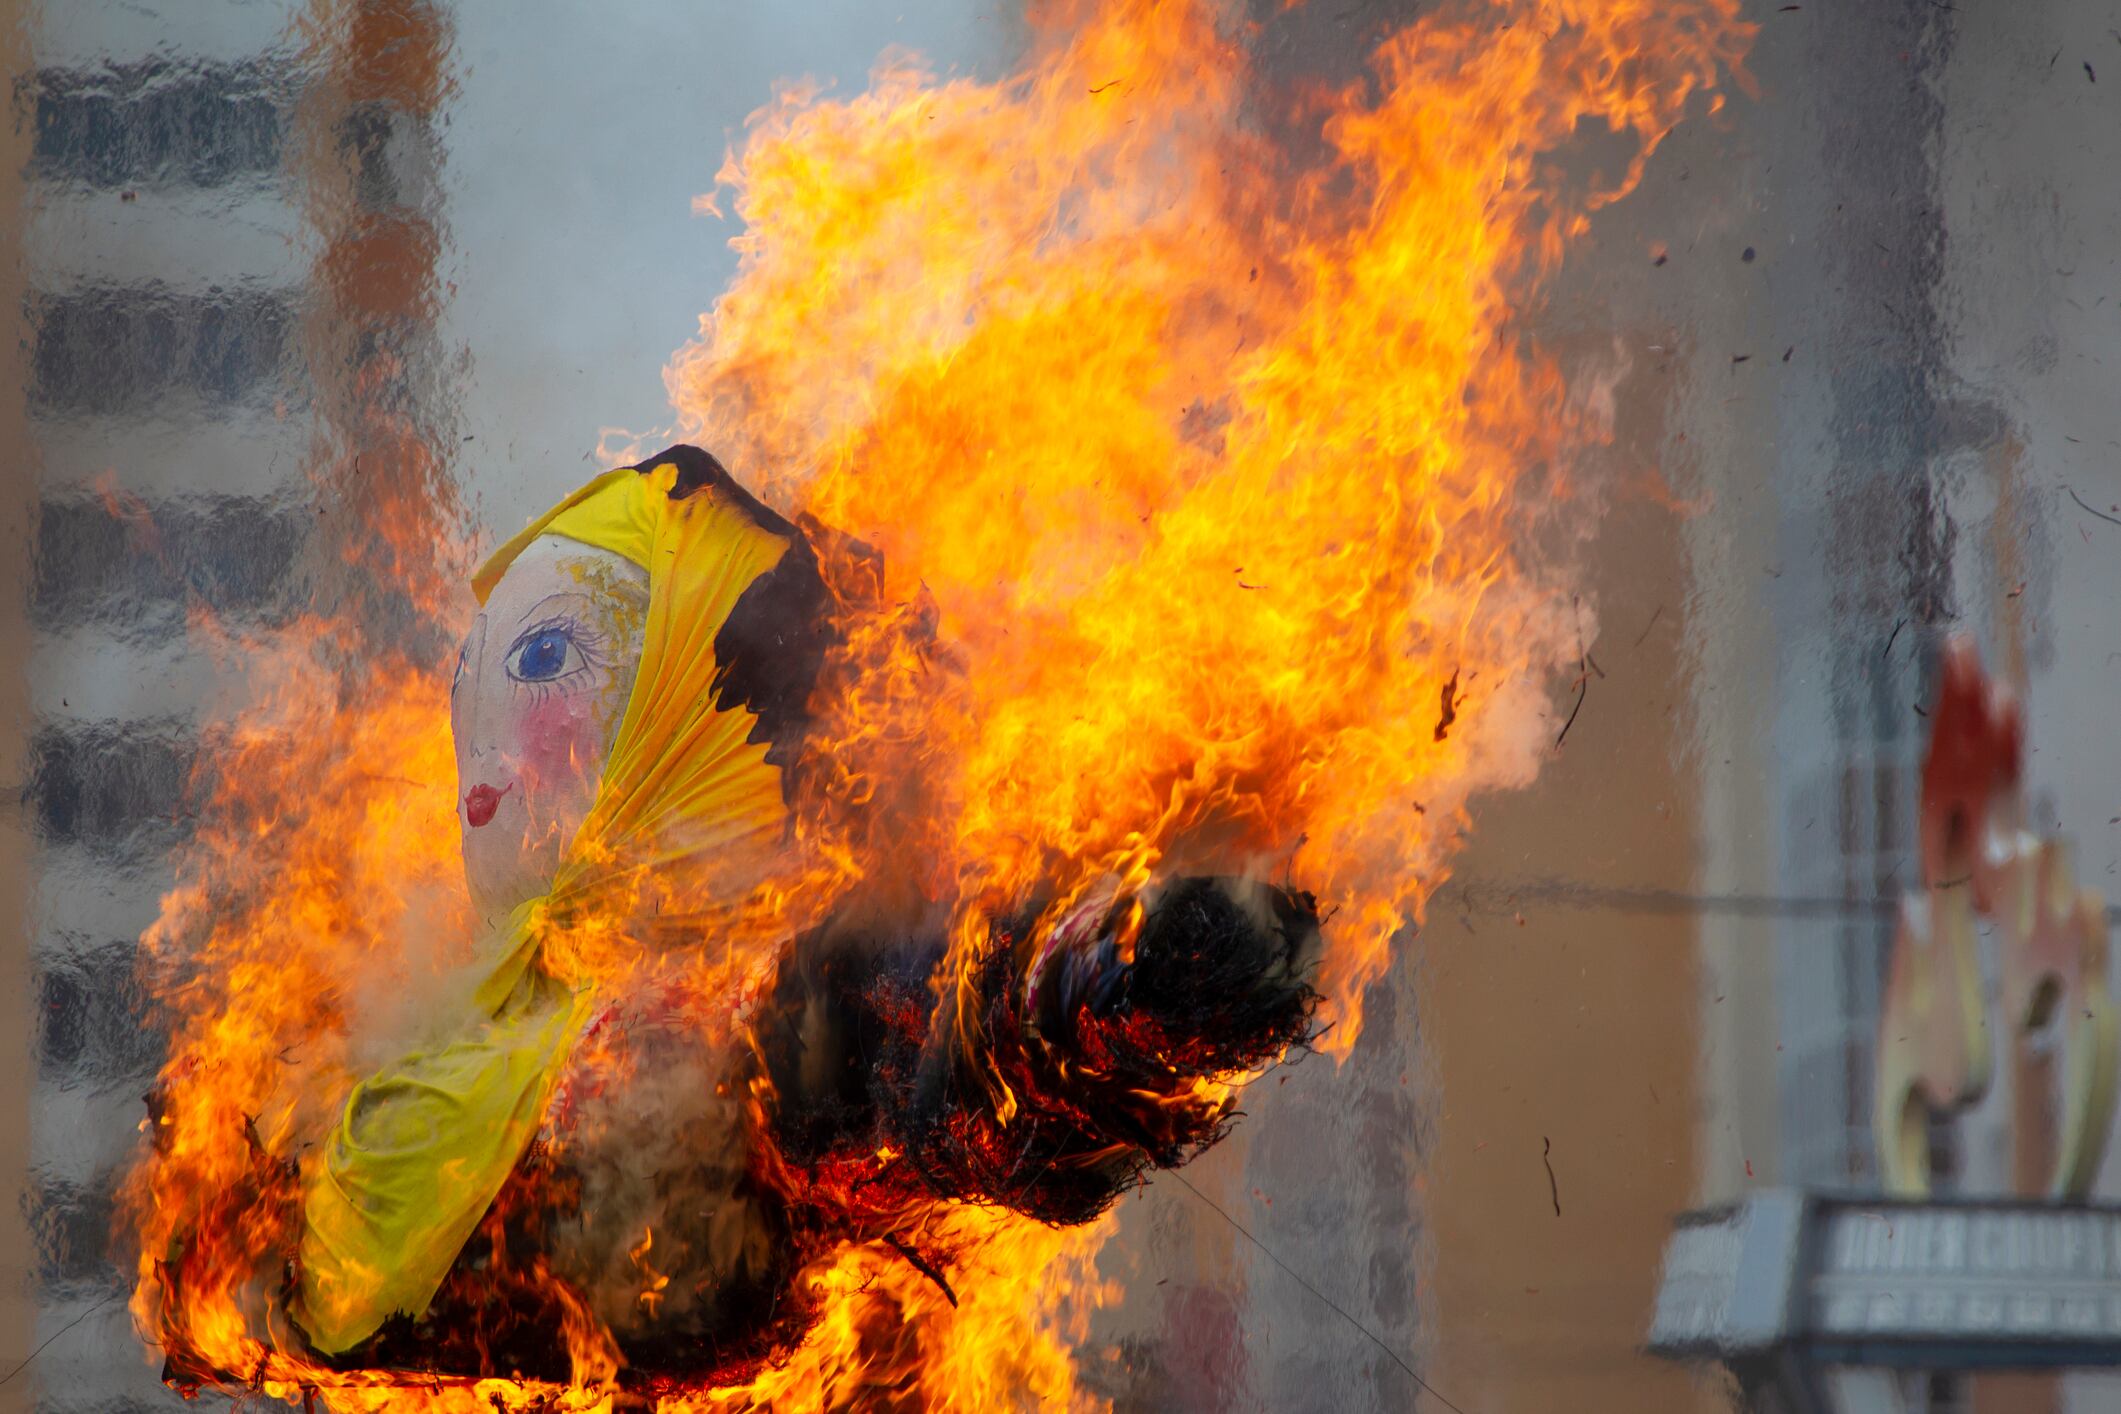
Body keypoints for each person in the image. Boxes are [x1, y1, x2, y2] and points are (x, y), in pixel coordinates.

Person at [290, 446, 1322, 1381]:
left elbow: (944, 1030)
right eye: (468, 686)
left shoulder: (773, 996)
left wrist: (1110, 977)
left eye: (545, 661)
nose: (482, 762)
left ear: (685, 692)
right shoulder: (443, 1013)